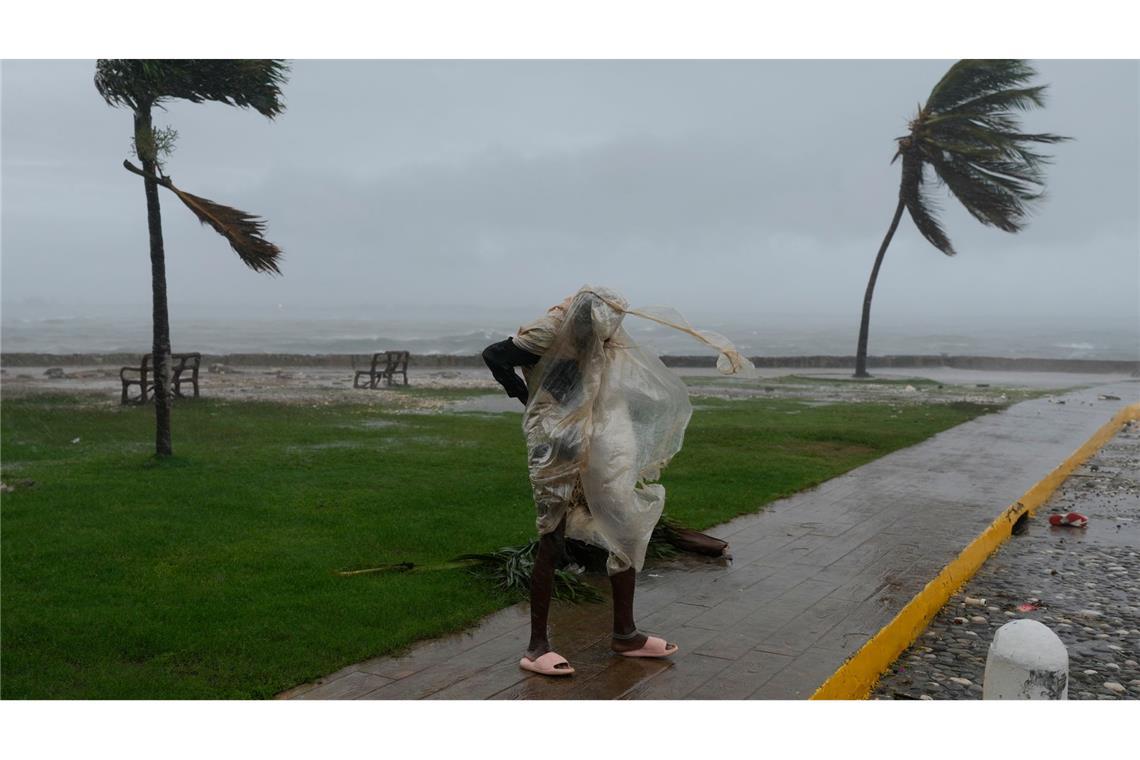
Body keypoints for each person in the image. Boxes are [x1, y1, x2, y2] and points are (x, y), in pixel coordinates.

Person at [483, 285, 752, 677]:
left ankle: (625, 634)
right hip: (556, 438)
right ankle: (536, 646)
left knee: (624, 525)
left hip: (597, 429)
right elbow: (495, 355)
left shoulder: (606, 331)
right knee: (552, 536)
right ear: (584, 318)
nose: (612, 333)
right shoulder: (547, 332)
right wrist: (530, 399)